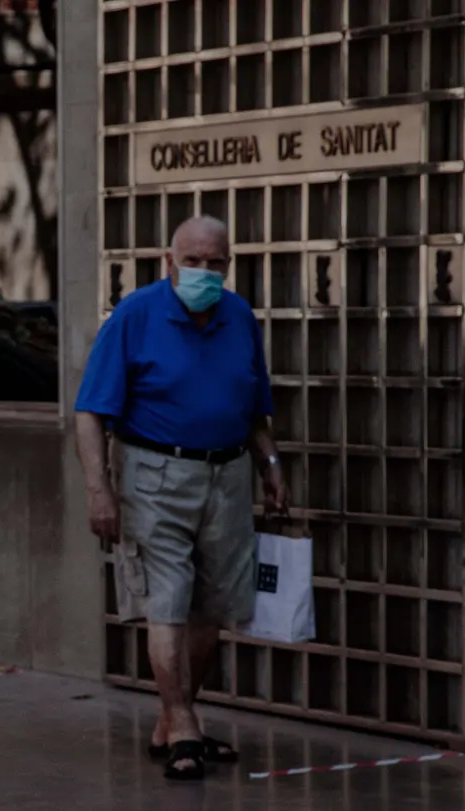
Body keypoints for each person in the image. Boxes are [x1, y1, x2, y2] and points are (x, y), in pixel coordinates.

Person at [73, 215, 287, 781]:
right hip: (154, 475)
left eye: (216, 262)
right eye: (193, 261)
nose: (205, 272)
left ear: (229, 265)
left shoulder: (239, 317)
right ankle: (184, 724)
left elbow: (253, 409)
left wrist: (271, 465)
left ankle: (173, 719)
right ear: (169, 264)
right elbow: (91, 412)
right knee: (165, 599)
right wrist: (100, 490)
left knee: (212, 605)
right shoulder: (135, 316)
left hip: (227, 474)